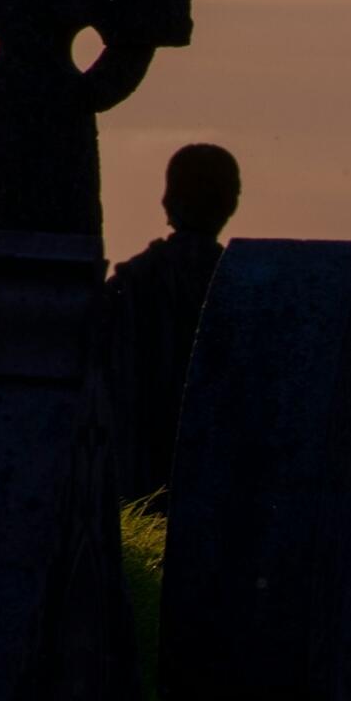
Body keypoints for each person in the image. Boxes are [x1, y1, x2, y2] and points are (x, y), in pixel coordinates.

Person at [102, 142, 240, 503]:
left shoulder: (133, 282)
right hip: (210, 470)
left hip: (137, 459)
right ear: (231, 202)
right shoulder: (241, 285)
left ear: (168, 200)